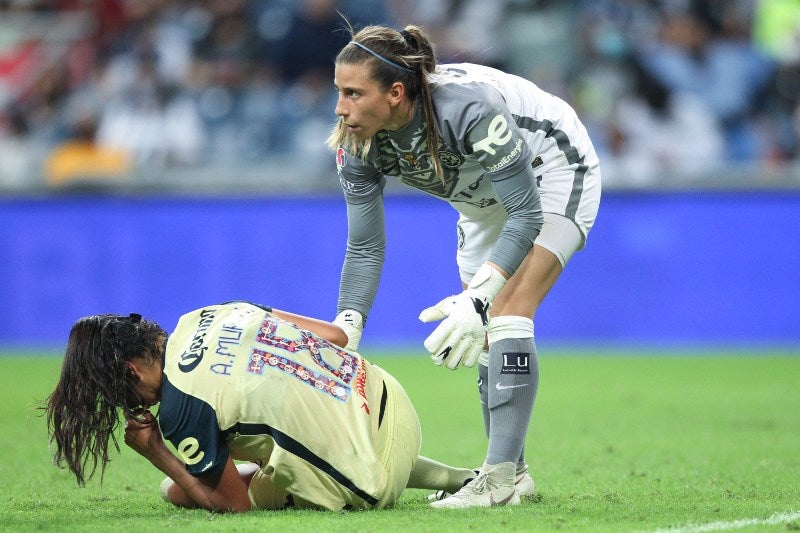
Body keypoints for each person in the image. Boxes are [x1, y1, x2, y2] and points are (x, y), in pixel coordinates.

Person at [328, 23, 602, 508]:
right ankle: (514, 475)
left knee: (505, 311)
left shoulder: (468, 108)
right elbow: (365, 246)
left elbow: (527, 212)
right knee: (482, 336)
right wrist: (347, 328)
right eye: (339, 92)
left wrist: (479, 297)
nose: (340, 107)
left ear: (395, 93)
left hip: (551, 170)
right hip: (480, 204)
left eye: (353, 93)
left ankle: (495, 480)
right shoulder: (356, 141)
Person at [45, 301, 476, 512]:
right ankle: (457, 478)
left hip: (371, 483)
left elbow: (235, 507)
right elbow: (336, 337)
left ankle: (392, 473)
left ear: (131, 372)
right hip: (392, 400)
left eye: (118, 391)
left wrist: (157, 451)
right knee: (312, 425)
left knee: (175, 490)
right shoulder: (209, 312)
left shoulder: (180, 409)